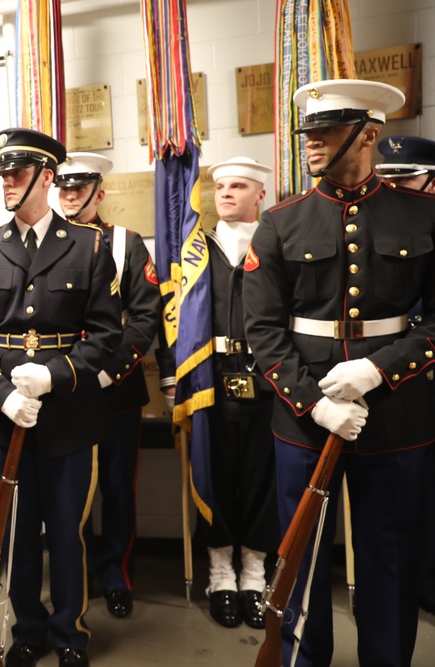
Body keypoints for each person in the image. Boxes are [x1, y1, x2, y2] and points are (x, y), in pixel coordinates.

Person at [244, 80, 435, 667]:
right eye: (309, 132)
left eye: (326, 131)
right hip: (306, 418)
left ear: (369, 134)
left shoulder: (422, 212)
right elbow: (263, 330)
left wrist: (380, 371)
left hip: (397, 413)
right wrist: (315, 402)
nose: (312, 143)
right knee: (300, 558)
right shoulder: (280, 222)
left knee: (390, 556)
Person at [0, 128, 123, 667]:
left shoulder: (90, 245)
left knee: (68, 530)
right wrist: (1, 393)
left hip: (68, 414)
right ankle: (27, 629)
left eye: (18, 174)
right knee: (17, 530)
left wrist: (54, 376)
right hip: (2, 418)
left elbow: (105, 335)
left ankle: (70, 632)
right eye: (3, 173)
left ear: (46, 179)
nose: (8, 182)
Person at [54, 152, 161, 620]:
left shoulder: (125, 244)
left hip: (113, 387)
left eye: (80, 187)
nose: (71, 194)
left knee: (117, 486)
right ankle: (75, 573)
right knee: (68, 490)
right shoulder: (46, 244)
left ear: (99, 192)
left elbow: (145, 317)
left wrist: (107, 370)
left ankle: (116, 573)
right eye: (63, 186)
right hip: (63, 388)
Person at [184, 157, 278, 630]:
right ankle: (220, 574)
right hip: (212, 383)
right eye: (220, 186)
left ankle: (255, 573)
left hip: (266, 382)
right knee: (215, 475)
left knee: (262, 479)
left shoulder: (275, 243)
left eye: (238, 186)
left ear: (260, 193)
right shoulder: (198, 249)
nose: (225, 194)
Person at [374, 135, 435, 615]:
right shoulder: (383, 231)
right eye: (387, 178)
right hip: (400, 395)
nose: (394, 189)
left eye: (406, 178)